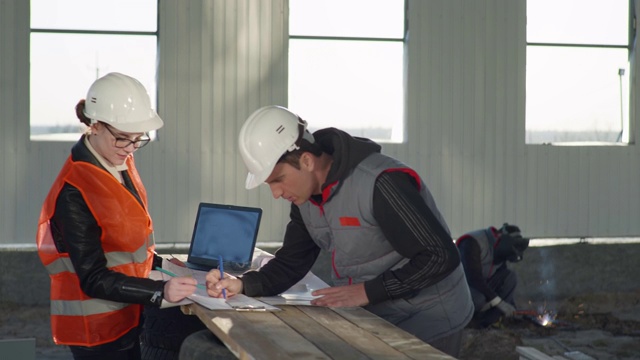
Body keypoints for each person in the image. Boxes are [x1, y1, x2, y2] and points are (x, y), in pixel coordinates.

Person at [206, 105, 474, 357]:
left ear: (307, 161)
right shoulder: (305, 198)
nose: (276, 193)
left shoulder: (380, 183)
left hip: (430, 316)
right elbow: (291, 262)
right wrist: (244, 284)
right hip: (375, 314)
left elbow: (440, 256)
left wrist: (367, 292)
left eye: (278, 180)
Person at [36, 72, 200, 360]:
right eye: (123, 139)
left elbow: (121, 243)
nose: (130, 148)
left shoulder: (118, 163)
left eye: (138, 140)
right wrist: (161, 291)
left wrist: (164, 265)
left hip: (126, 314)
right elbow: (93, 277)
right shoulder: (74, 190)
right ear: (95, 126)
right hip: (97, 330)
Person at [455, 223, 530, 328]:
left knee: (510, 277)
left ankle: (487, 322)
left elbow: (502, 277)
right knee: (479, 298)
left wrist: (512, 307)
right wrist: (500, 303)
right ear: (500, 236)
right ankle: (468, 321)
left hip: (480, 287)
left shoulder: (500, 248)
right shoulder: (472, 242)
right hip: (460, 290)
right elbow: (474, 279)